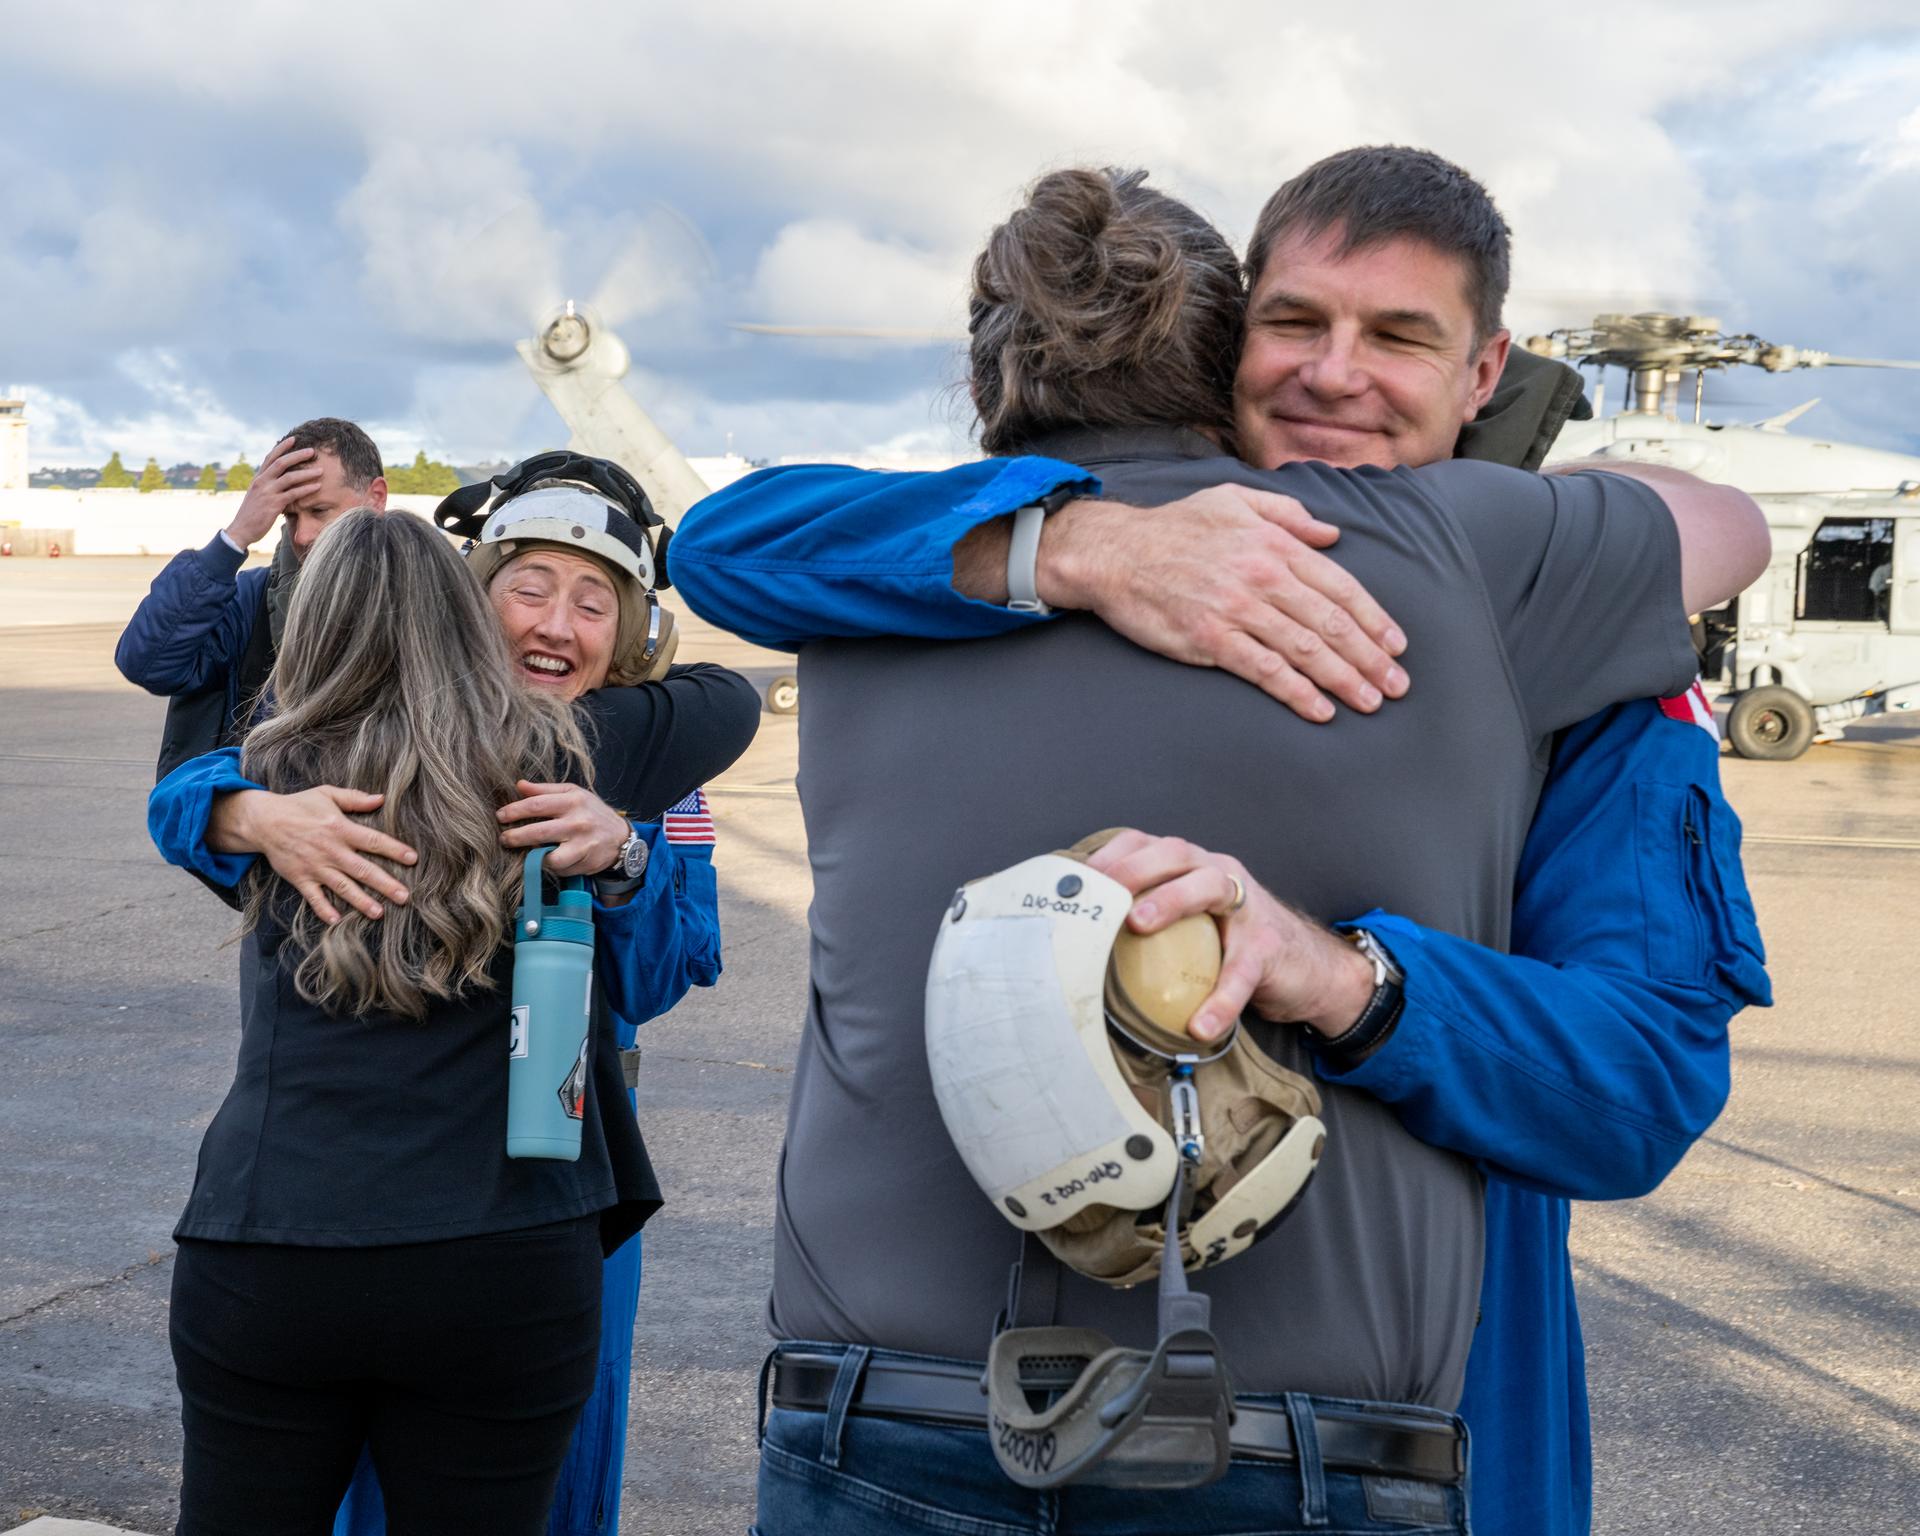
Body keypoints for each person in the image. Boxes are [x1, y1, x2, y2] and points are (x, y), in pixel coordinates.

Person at [668, 147, 1772, 1536]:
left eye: (1400, 338)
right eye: (1295, 324)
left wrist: (1357, 982)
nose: (1333, 376)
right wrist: (1080, 548)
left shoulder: (1575, 649)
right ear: (1218, 337)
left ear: (1486, 374)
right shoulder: (970, 558)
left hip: (1444, 1411)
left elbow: (1636, 1086)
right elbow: (725, 540)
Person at [150, 459, 761, 1536]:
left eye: (594, 600)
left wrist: (623, 856)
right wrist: (248, 810)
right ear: (467, 605)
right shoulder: (322, 764)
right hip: (482, 1242)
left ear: (631, 632)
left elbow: (667, 972)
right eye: (530, 587)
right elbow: (182, 794)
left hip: (551, 1160)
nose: (559, 624)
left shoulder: (647, 771)